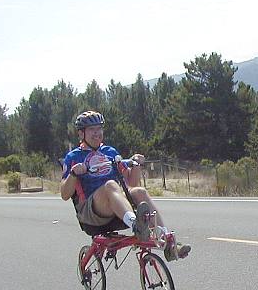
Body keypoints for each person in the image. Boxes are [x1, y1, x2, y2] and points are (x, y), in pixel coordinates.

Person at [60, 110, 190, 261]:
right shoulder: (74, 157)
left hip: (117, 205)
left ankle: (168, 242)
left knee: (139, 191)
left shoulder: (110, 152)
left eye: (99, 129)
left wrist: (135, 164)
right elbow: (64, 194)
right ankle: (137, 225)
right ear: (81, 134)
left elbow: (132, 184)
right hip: (92, 211)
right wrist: (74, 174)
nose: (97, 133)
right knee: (111, 185)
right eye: (91, 130)